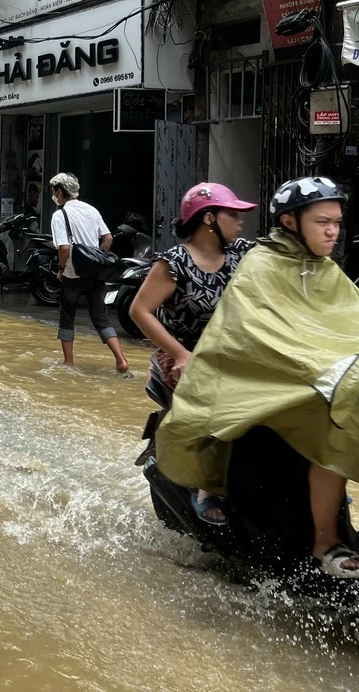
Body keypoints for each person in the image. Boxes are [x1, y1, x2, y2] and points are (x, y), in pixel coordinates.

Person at [155, 177, 359, 578]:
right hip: (240, 367)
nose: (333, 231)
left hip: (309, 374)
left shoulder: (319, 267)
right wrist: (181, 353)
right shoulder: (257, 265)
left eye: (337, 223)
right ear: (290, 222)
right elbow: (252, 332)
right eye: (322, 221)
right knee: (334, 436)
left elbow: (357, 321)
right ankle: (323, 543)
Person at [129, 182, 258, 526]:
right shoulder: (174, 263)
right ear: (209, 219)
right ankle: (206, 487)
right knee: (218, 401)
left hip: (233, 354)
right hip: (185, 355)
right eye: (233, 214)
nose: (241, 221)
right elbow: (139, 311)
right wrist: (181, 353)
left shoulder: (244, 253)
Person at [49, 172, 128, 373]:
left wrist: (60, 270)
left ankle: (68, 362)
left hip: (73, 275)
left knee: (67, 316)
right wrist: (99, 260)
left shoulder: (60, 215)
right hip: (95, 275)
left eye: (53, 191)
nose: (53, 195)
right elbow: (108, 238)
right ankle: (121, 360)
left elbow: (64, 248)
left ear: (59, 191)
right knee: (100, 317)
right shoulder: (92, 210)